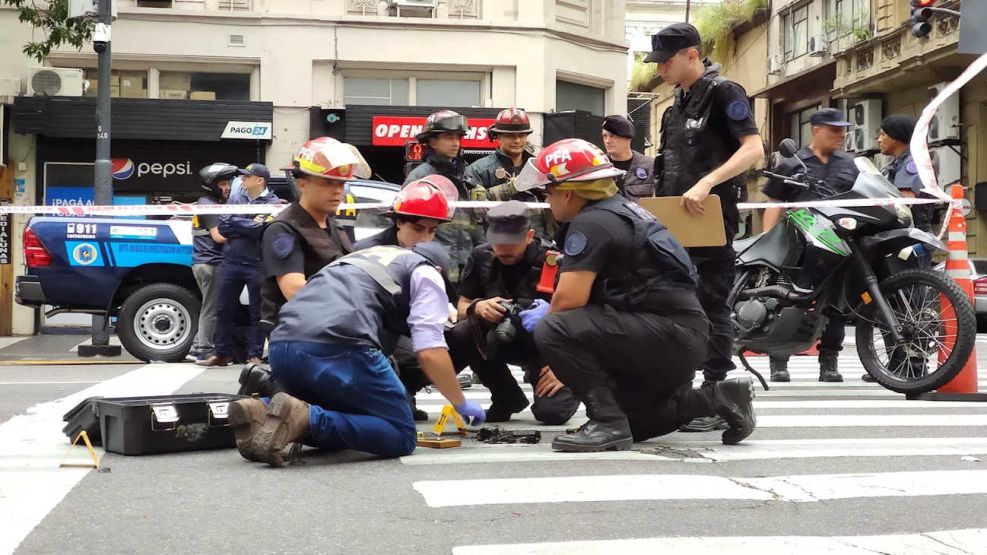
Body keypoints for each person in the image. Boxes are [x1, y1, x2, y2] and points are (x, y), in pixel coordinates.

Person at [511, 138, 755, 452]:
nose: (548, 201)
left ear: (568, 192)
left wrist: (559, 360)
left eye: (549, 192)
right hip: (677, 339)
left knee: (552, 327)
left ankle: (606, 421)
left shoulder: (591, 223)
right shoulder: (625, 210)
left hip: (664, 336)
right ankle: (717, 397)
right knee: (637, 424)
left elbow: (568, 302)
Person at [227, 242, 486, 467]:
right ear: (439, 269)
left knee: (341, 418)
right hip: (339, 346)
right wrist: (460, 402)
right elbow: (429, 349)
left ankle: (261, 409)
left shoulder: (358, 259)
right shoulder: (427, 272)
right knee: (401, 434)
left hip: (283, 346)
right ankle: (305, 418)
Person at [648, 22, 764, 432]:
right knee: (677, 305)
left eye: (666, 61)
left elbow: (753, 148)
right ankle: (683, 391)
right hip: (674, 225)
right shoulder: (673, 107)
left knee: (712, 305)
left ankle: (717, 395)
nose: (659, 69)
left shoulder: (724, 93)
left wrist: (708, 181)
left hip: (711, 220)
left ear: (692, 55)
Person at [446, 200, 579, 424]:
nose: (504, 249)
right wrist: (477, 306)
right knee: (463, 331)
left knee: (552, 413)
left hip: (546, 349)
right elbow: (461, 307)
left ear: (529, 235)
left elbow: (580, 318)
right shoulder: (481, 256)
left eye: (512, 242)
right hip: (499, 338)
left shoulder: (552, 262)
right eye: (498, 243)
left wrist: (568, 368)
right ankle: (506, 397)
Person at [762, 107, 859, 384]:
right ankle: (778, 361)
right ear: (817, 130)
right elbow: (773, 203)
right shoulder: (792, 163)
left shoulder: (848, 164)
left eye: (843, 130)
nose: (841, 135)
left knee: (835, 306)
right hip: (797, 244)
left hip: (837, 244)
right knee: (787, 302)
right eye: (834, 129)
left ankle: (829, 362)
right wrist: (769, 240)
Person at [354, 177, 463, 420]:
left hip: (414, 330)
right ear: (398, 222)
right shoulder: (364, 252)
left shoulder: (431, 257)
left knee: (460, 338)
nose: (425, 238)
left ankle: (405, 392)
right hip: (374, 332)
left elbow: (451, 305)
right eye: (417, 229)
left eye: (432, 231)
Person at [259, 138, 368, 333]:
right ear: (302, 184)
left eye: (341, 184)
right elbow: (295, 290)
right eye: (328, 183)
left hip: (332, 328)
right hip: (298, 336)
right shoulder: (283, 229)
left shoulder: (333, 225)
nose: (337, 191)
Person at [197, 163, 281, 367]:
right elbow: (224, 226)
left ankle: (254, 355)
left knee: (257, 312)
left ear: (259, 180)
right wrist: (250, 224)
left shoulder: (273, 202)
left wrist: (241, 224)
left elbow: (261, 229)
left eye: (246, 177)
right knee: (224, 309)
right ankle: (221, 354)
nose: (241, 181)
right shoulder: (236, 198)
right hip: (231, 262)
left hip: (256, 264)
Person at [405, 110, 487, 282]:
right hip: (433, 267)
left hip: (465, 267)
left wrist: (482, 253)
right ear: (432, 141)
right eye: (449, 137)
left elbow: (473, 224)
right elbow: (407, 226)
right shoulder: (420, 178)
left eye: (458, 138)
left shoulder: (464, 178)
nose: (455, 143)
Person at [188, 162, 236, 363]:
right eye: (224, 183)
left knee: (208, 306)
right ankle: (205, 350)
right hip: (211, 263)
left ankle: (196, 346)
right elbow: (218, 237)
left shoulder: (206, 203)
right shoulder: (210, 205)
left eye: (228, 183)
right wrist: (242, 234)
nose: (228, 187)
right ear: (212, 185)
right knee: (212, 309)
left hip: (202, 262)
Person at [878, 114, 931, 232]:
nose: (879, 139)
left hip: (912, 235)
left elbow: (904, 204)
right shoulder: (898, 163)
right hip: (904, 232)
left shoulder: (912, 163)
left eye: (883, 134)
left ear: (895, 137)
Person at [601, 114, 655, 202]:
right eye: (605, 136)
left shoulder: (650, 166)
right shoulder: (599, 167)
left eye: (612, 136)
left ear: (627, 138)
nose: (607, 141)